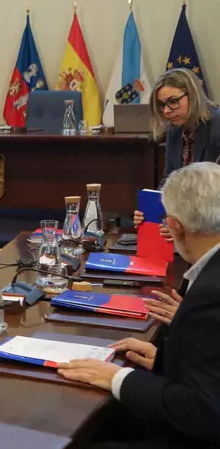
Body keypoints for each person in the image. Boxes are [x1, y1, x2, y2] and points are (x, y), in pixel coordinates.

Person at [58, 162, 220, 448]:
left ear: (175, 227)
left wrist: (118, 377)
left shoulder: (210, 292)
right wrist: (165, 362)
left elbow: (205, 412)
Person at [133, 68, 220, 241]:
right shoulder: (174, 129)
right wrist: (151, 212)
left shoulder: (217, 126)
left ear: (193, 96)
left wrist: (184, 226)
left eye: (173, 102)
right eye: (161, 105)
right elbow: (169, 179)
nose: (166, 111)